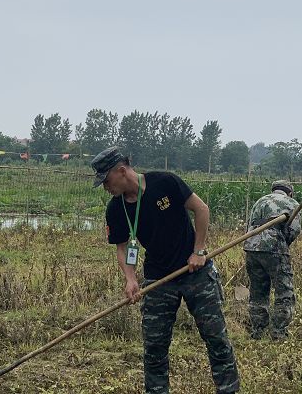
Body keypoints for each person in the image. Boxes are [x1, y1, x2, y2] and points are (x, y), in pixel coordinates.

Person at [95, 146, 239, 394]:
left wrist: (199, 251)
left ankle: (228, 389)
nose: (106, 187)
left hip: (196, 273)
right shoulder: (116, 208)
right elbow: (122, 248)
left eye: (106, 181)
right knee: (154, 348)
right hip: (158, 280)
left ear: (121, 171)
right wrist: (130, 279)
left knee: (216, 339)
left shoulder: (165, 182)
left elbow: (201, 209)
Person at [242, 179, 301, 340]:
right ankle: (279, 333)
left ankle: (258, 331)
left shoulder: (260, 201)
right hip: (274, 248)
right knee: (284, 291)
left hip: (251, 247)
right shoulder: (291, 202)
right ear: (290, 192)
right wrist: (283, 242)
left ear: (273, 190)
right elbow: (294, 230)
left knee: (258, 291)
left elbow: (249, 225)